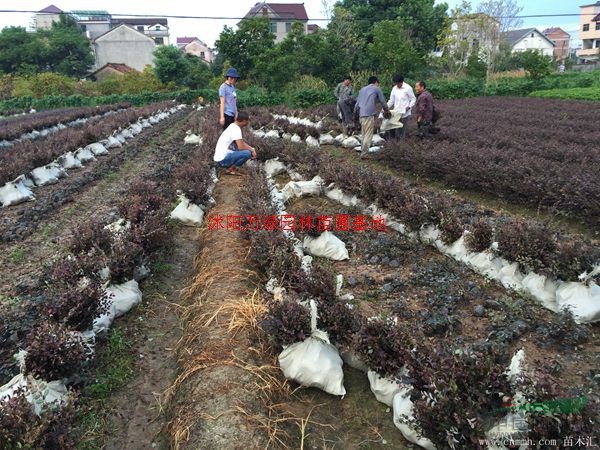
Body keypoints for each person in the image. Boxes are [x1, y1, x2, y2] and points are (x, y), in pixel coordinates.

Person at [354, 76, 390, 158]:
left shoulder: (362, 89)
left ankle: (363, 151)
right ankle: (364, 154)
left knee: (363, 133)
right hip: (369, 114)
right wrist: (387, 110)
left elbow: (357, 104)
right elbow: (383, 101)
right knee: (368, 134)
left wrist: (355, 115)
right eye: (378, 83)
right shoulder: (376, 89)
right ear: (376, 82)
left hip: (361, 114)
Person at [213, 111, 257, 176]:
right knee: (247, 153)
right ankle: (231, 169)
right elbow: (241, 147)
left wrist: (252, 148)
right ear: (244, 121)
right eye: (247, 121)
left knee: (245, 150)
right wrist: (251, 150)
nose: (248, 123)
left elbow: (241, 143)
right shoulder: (236, 129)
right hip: (222, 160)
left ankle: (230, 167)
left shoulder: (232, 126)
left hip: (219, 158)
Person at [387, 74, 416, 139]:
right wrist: (386, 107)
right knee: (391, 128)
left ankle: (401, 144)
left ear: (401, 82)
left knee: (401, 131)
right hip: (396, 112)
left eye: (398, 83)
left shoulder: (408, 88)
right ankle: (392, 143)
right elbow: (391, 100)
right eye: (395, 83)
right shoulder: (394, 88)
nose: (397, 85)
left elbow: (413, 99)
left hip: (404, 113)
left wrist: (409, 107)